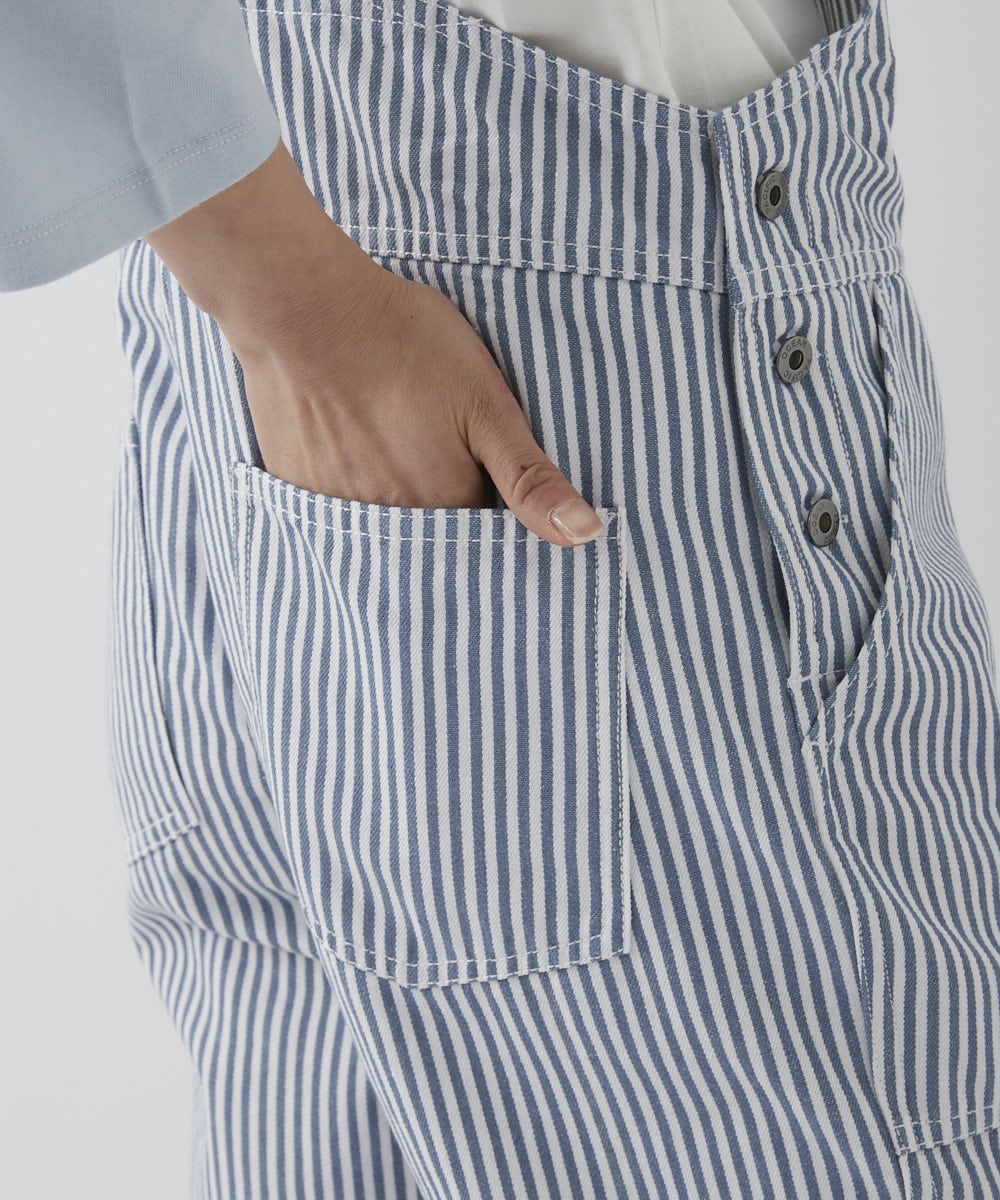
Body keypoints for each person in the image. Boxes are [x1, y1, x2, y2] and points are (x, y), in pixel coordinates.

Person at [3, 2, 999, 1197]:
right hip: (582, 344)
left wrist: (283, 298)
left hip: (293, 276)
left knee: (324, 1127)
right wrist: (305, 314)